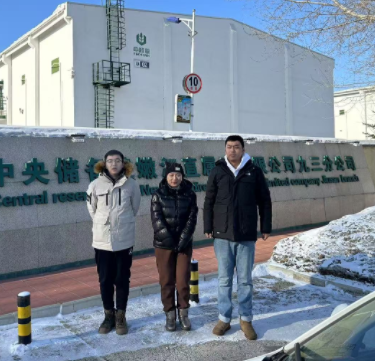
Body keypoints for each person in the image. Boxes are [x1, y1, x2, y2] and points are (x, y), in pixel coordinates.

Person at [204, 135, 273, 340]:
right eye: (229, 147)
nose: (232, 150)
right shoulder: (218, 170)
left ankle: (246, 319)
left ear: (243, 149)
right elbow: (209, 200)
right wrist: (208, 225)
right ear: (225, 149)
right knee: (224, 279)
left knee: (245, 280)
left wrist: (265, 226)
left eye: (236, 147)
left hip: (246, 234)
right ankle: (224, 318)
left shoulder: (254, 171)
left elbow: (264, 201)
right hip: (222, 234)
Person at [87, 150, 141, 336]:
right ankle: (108, 315)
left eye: (118, 160)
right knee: (105, 280)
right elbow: (92, 210)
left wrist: (120, 223)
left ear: (123, 163)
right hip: (102, 241)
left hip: (124, 240)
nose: (114, 164)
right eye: (110, 161)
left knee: (122, 279)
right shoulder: (95, 185)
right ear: (104, 163)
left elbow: (134, 208)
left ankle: (121, 316)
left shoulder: (131, 185)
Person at [151, 163, 199, 332]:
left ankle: (183, 313)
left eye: (178, 175)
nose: (174, 178)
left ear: (182, 177)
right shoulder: (158, 195)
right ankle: (170, 314)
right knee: (166, 281)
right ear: (166, 176)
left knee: (183, 281)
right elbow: (157, 220)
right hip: (164, 245)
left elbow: (192, 219)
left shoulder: (190, 194)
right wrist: (170, 240)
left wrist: (183, 239)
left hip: (184, 244)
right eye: (171, 175)